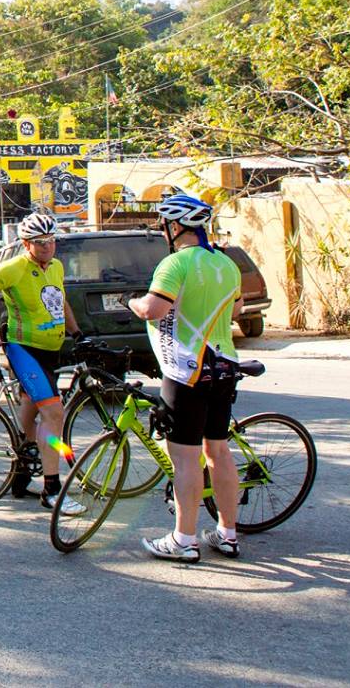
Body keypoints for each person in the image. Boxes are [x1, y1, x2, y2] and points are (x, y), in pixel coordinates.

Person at [126, 191, 244, 562]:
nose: (163, 229)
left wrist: (133, 302)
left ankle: (184, 539)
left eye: (165, 224)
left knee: (185, 458)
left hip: (186, 370)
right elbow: (237, 310)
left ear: (176, 226)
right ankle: (228, 534)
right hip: (224, 367)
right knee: (218, 451)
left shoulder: (175, 263)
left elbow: (153, 309)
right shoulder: (226, 264)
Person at [0, 210, 76, 508]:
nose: (47, 246)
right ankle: (51, 490)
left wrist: (78, 333)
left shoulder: (56, 266)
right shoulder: (14, 268)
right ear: (26, 244)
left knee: (29, 416)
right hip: (24, 350)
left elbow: (60, 300)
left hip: (50, 352)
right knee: (54, 414)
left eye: (51, 240)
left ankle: (21, 471)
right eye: (40, 242)